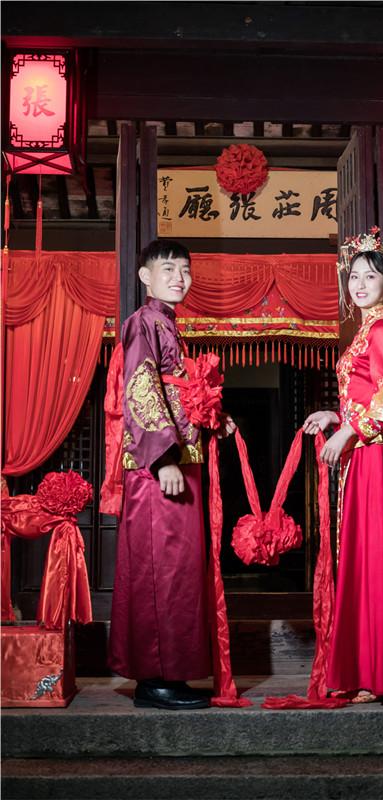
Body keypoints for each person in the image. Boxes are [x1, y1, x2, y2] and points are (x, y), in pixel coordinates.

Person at [303, 228, 383, 703]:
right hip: (366, 455)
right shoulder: (364, 331)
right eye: (354, 276)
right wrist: (335, 416)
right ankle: (370, 669)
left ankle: (380, 673)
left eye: (370, 277)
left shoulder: (380, 331)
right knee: (365, 558)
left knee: (375, 557)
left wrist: (349, 431)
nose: (359, 284)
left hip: (377, 457)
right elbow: (367, 395)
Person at [108, 239, 235, 710]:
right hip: (159, 469)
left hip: (180, 464)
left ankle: (171, 673)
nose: (179, 277)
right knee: (159, 570)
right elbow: (140, 386)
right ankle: (156, 678)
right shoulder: (143, 321)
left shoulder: (168, 325)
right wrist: (163, 459)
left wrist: (215, 419)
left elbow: (179, 391)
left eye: (184, 269)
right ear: (145, 276)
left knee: (179, 571)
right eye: (168, 269)